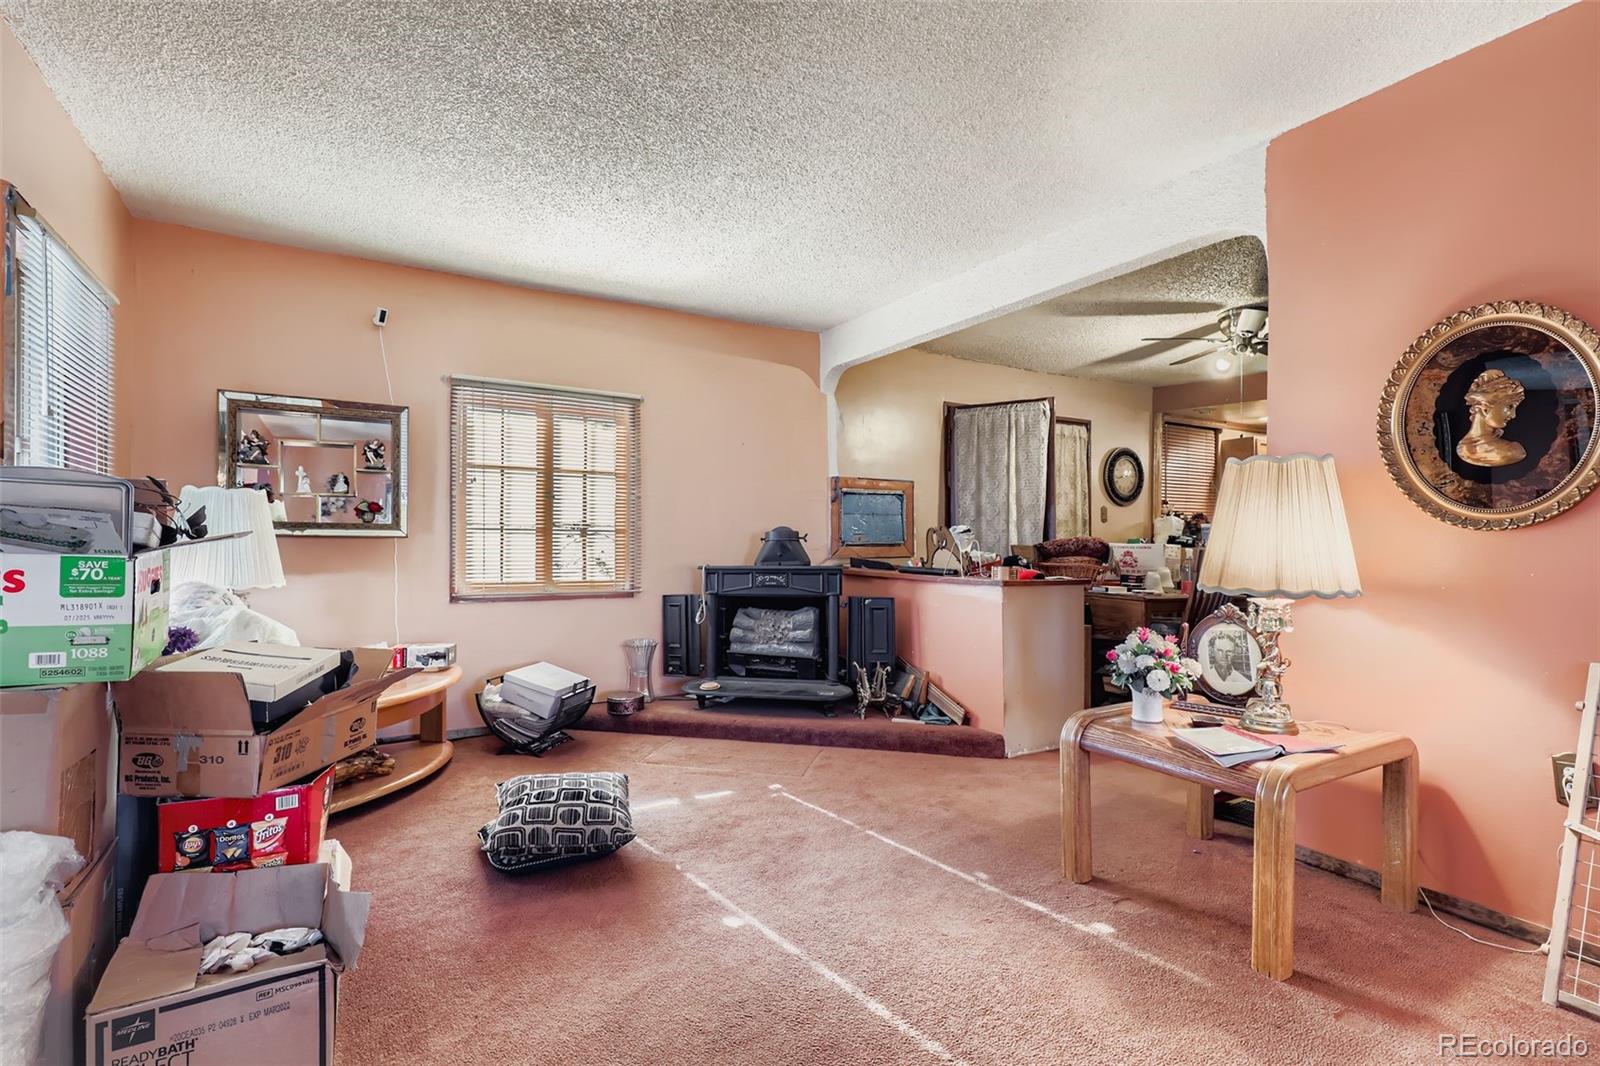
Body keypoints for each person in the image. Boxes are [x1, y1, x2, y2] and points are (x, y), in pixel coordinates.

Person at [1456, 368, 1526, 467]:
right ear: (1485, 409)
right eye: (1509, 407)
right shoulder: (1512, 451)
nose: (1513, 415)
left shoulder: (1463, 449)